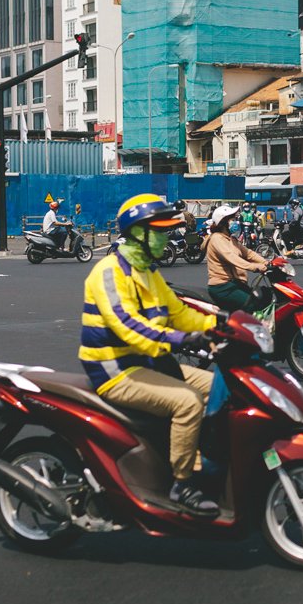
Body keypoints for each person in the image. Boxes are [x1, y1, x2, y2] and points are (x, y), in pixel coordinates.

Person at [80, 193, 219, 515]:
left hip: (147, 361)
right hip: (114, 368)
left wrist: (220, 326)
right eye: (159, 232)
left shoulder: (147, 271)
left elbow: (179, 312)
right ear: (138, 233)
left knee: (219, 388)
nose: (165, 237)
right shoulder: (109, 272)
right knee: (187, 401)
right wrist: (184, 339)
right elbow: (129, 325)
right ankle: (182, 483)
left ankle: (198, 455)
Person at [205, 204, 272, 312]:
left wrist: (267, 262)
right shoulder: (217, 239)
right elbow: (231, 257)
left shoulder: (231, 239)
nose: (235, 222)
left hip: (235, 284)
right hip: (223, 287)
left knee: (264, 297)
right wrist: (255, 267)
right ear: (223, 222)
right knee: (252, 305)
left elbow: (248, 253)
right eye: (232, 219)